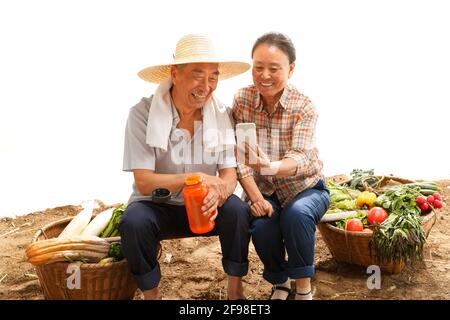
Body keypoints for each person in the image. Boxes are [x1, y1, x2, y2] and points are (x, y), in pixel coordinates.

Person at [119, 34, 252, 300]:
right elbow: (144, 182)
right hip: (158, 205)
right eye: (197, 74)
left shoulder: (221, 114)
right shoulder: (142, 114)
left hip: (205, 205)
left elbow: (228, 175)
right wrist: (195, 177)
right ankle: (151, 295)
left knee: (237, 210)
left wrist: (221, 193)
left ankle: (235, 292)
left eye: (213, 76)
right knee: (133, 223)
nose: (206, 85)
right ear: (175, 74)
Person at [232, 32, 330, 300]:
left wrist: (270, 166)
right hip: (264, 191)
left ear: (291, 69)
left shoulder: (303, 106)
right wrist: (254, 197)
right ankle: (281, 282)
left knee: (296, 214)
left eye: (274, 69)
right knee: (262, 226)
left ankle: (303, 290)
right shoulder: (242, 100)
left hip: (306, 188)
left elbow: (300, 157)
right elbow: (239, 158)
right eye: (258, 67)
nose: (264, 75)